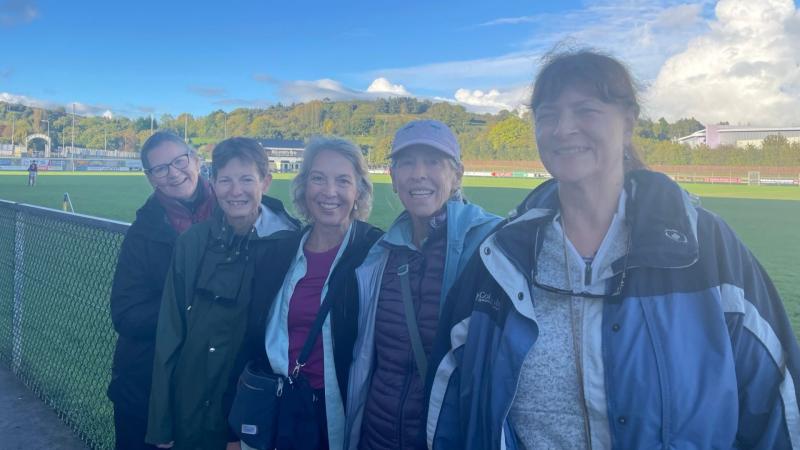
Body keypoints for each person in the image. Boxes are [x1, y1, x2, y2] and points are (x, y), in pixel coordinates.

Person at [427, 49, 800, 449]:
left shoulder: (704, 247)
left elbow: (777, 400)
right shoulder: (501, 254)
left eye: (585, 110)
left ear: (628, 124)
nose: (562, 128)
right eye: (547, 115)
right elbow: (450, 394)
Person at [344, 120, 502, 449]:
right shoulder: (381, 254)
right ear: (393, 176)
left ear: (457, 174)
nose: (418, 173)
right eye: (407, 162)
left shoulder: (491, 246)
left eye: (433, 161)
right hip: (377, 437)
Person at [146, 137, 300, 450]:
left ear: (265, 182)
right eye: (225, 180)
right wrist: (161, 424)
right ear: (213, 183)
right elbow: (170, 333)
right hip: (190, 404)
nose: (235, 190)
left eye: (246, 179)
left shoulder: (290, 245)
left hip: (252, 406)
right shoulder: (193, 242)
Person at [235, 137, 382, 450]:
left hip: (337, 417)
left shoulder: (376, 254)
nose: (330, 192)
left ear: (359, 190)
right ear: (304, 187)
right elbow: (252, 337)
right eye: (318, 178)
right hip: (281, 408)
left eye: (343, 180)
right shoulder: (280, 253)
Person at [108, 132, 216, 450]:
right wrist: (191, 312)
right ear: (150, 178)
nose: (174, 172)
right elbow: (126, 314)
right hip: (147, 384)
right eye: (161, 168)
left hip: (213, 388)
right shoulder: (142, 234)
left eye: (179, 161)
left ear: (195, 160)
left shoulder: (236, 215)